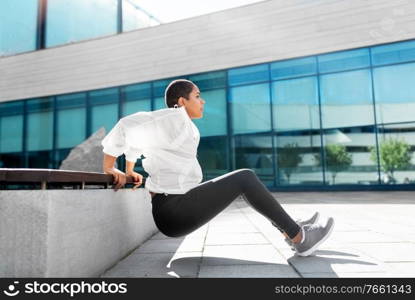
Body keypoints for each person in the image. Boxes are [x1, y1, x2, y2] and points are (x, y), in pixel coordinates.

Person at [101, 79, 334, 257]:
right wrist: (109, 167)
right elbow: (126, 126)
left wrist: (130, 168)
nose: (202, 101)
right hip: (173, 211)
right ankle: (300, 237)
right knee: (245, 178)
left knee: (243, 179)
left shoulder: (181, 125)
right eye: (197, 96)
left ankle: (291, 227)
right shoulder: (171, 118)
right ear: (181, 102)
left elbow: (137, 142)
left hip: (178, 204)